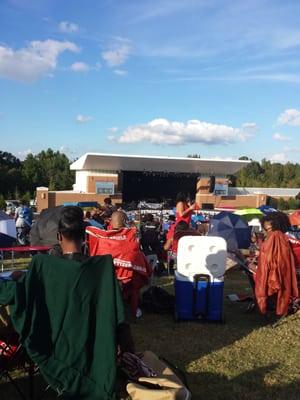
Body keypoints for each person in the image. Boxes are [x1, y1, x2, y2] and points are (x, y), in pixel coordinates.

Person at [0, 206, 134, 399]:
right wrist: (129, 351)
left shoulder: (44, 266)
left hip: (55, 350)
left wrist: (16, 280)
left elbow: (19, 293)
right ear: (85, 237)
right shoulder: (102, 269)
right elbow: (120, 319)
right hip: (93, 354)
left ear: (59, 236)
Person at [255, 212, 299, 316]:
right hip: (289, 273)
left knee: (253, 273)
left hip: (285, 274)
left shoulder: (277, 238)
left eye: (268, 229)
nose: (265, 233)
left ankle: (268, 303)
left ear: (277, 227)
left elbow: (273, 264)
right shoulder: (288, 238)